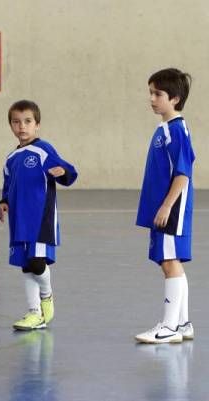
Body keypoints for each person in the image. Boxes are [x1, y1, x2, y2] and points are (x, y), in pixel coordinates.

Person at [0, 100, 77, 331]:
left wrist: (64, 172)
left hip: (40, 219)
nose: (22, 126)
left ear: (37, 125)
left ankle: (46, 295)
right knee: (25, 265)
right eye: (16, 122)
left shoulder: (44, 150)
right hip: (18, 221)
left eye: (27, 121)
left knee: (37, 262)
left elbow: (69, 172)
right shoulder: (11, 158)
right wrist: (3, 202)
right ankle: (34, 313)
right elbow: (8, 185)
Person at [134, 68, 195, 344]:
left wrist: (167, 206)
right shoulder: (164, 129)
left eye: (157, 94)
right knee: (171, 263)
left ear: (175, 98)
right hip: (164, 206)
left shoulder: (177, 130)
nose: (152, 99)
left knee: (170, 262)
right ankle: (182, 324)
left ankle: (169, 327)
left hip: (173, 207)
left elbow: (183, 173)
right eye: (151, 93)